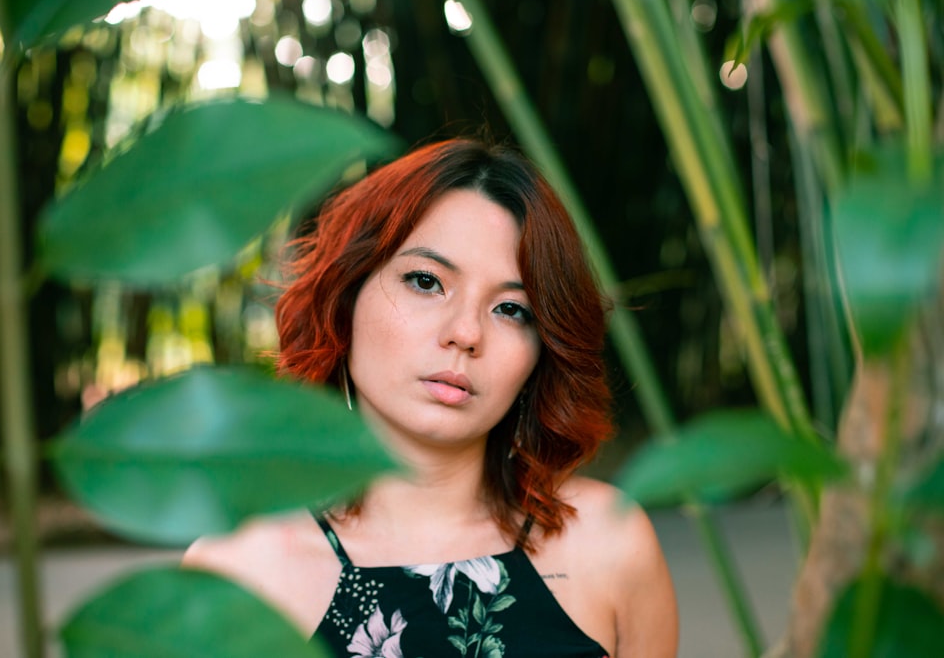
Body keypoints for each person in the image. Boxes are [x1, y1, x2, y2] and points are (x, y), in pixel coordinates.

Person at [183, 138, 678, 657]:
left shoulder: (608, 544)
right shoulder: (241, 571)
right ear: (346, 295)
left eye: (512, 309)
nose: (465, 332)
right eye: (426, 281)